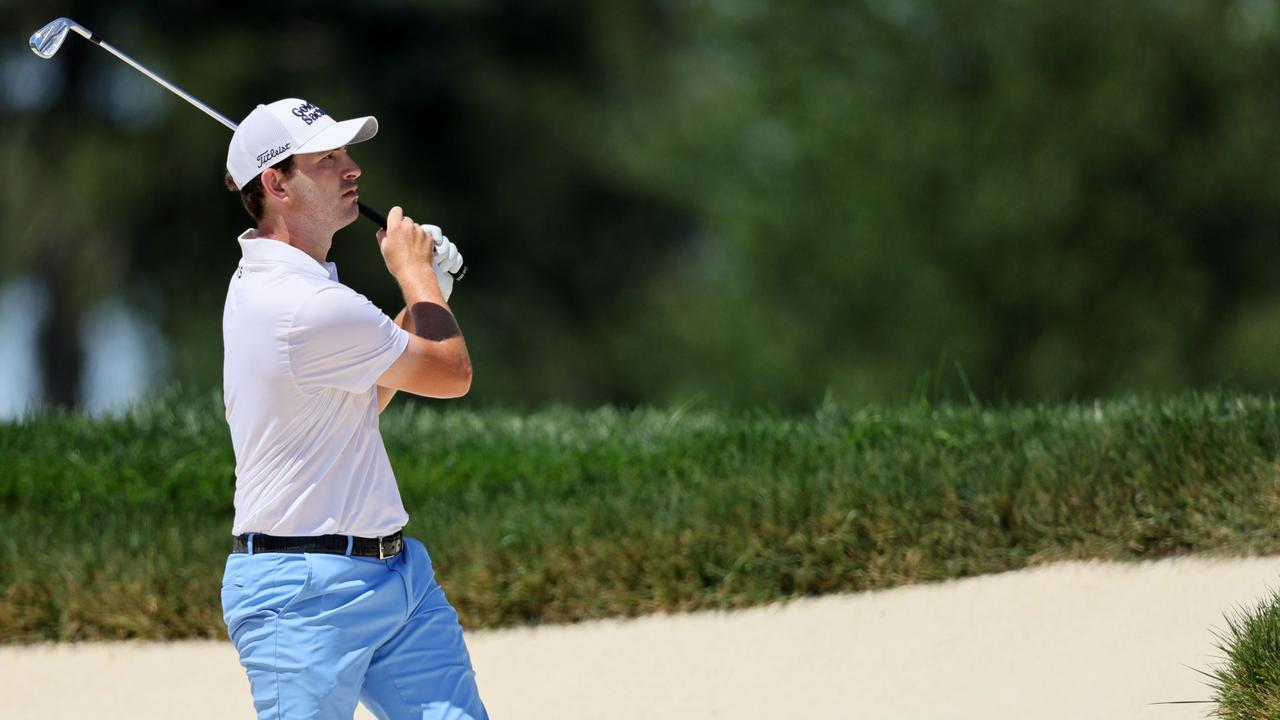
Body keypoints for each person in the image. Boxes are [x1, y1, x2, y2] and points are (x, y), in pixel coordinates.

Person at [217, 97, 487, 720]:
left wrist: (429, 295)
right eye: (328, 158)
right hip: (302, 594)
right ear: (275, 182)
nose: (351, 168)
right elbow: (452, 374)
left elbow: (369, 391)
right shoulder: (301, 302)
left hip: (397, 579)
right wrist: (416, 275)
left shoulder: (303, 287)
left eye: (347, 152)